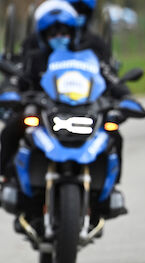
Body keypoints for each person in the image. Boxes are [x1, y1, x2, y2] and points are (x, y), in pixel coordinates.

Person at [0, 0, 128, 202]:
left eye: (63, 32)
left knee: (114, 134)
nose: (59, 38)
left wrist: (125, 97)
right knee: (12, 129)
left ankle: (110, 188)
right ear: (43, 35)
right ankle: (7, 178)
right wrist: (12, 93)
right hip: (43, 110)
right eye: (53, 33)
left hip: (82, 109)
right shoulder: (34, 57)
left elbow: (110, 79)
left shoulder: (88, 55)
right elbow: (17, 80)